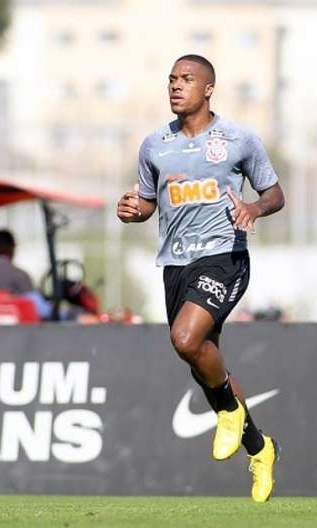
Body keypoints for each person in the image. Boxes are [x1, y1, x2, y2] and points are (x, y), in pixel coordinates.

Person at [116, 54, 285, 502]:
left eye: (186, 79)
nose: (176, 86)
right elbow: (149, 201)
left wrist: (254, 208)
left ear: (208, 88)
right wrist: (134, 211)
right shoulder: (155, 145)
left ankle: (229, 411)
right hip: (176, 264)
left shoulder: (238, 140)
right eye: (171, 79)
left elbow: (274, 193)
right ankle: (260, 447)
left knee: (186, 339)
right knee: (199, 358)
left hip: (224, 257)